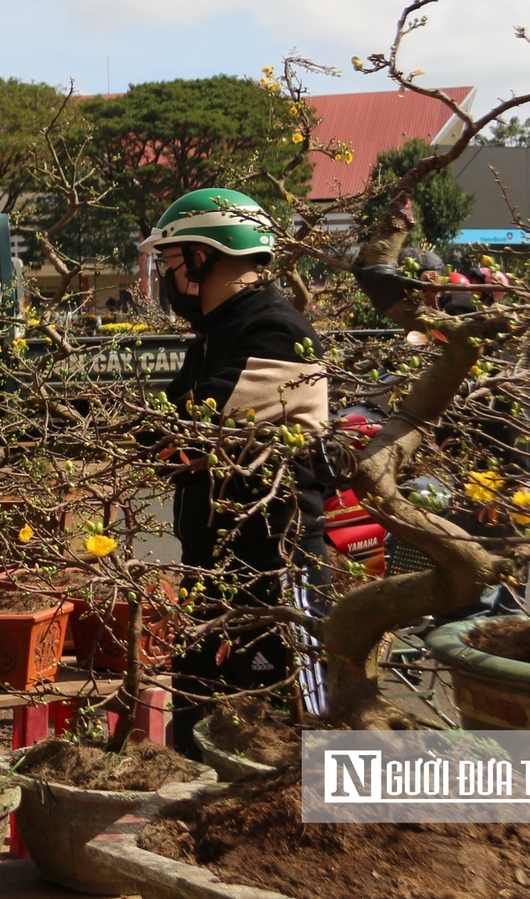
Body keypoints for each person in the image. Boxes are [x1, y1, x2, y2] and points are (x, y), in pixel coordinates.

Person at [139, 188, 330, 753]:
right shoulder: (217, 334)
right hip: (214, 565)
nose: (168, 278)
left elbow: (187, 433)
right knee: (198, 723)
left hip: (272, 566)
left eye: (171, 261)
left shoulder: (275, 331)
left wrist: (147, 437)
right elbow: (159, 423)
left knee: (286, 730)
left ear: (203, 258)